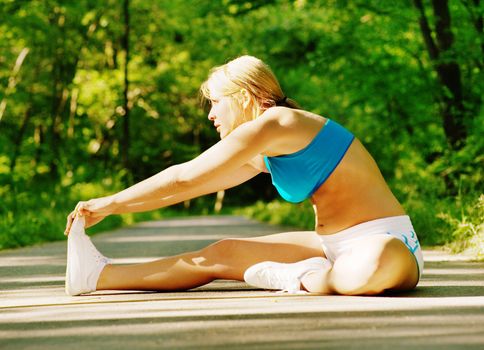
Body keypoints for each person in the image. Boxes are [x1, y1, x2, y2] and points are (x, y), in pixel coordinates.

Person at [64, 55, 423, 296]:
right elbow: (189, 186)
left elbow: (185, 176)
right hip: (332, 248)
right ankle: (97, 276)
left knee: (378, 259)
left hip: (383, 243)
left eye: (216, 102)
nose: (210, 115)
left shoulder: (280, 122)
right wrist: (110, 208)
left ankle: (305, 277)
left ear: (247, 95)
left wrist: (108, 203)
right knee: (224, 252)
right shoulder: (268, 149)